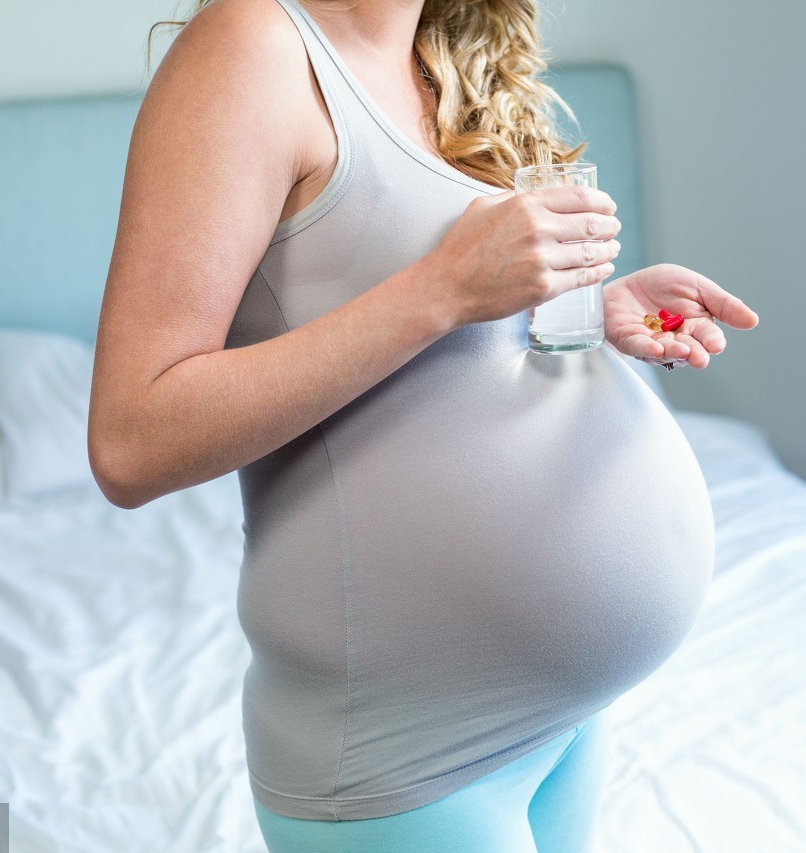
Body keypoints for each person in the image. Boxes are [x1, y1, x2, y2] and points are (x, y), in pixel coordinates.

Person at [88, 0, 759, 848]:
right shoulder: (251, 47)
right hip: (404, 758)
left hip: (561, 718)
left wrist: (584, 309)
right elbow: (131, 440)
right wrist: (442, 288)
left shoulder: (449, 58)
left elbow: (430, 325)